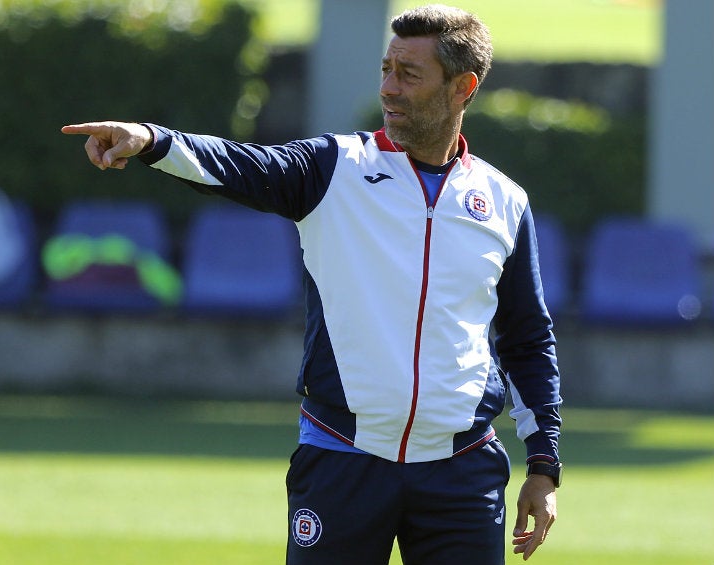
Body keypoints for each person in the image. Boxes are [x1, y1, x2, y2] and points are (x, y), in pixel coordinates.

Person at [61, 4, 561, 563]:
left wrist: (543, 466)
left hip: (463, 470)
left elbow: (527, 340)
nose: (389, 88)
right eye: (386, 69)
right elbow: (234, 164)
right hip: (342, 457)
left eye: (409, 74)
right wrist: (151, 140)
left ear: (462, 87)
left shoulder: (505, 201)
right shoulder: (335, 168)